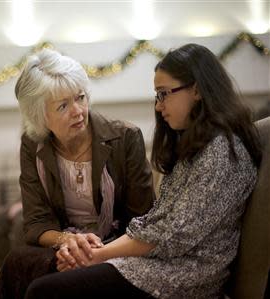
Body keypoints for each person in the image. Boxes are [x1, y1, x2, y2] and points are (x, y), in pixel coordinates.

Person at [23, 44, 262, 299]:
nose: (158, 106)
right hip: (160, 263)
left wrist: (97, 254)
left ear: (196, 89)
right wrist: (91, 251)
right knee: (28, 268)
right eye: (157, 96)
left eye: (164, 94)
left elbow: (173, 233)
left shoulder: (222, 150)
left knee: (44, 290)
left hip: (184, 274)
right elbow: (157, 220)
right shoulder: (199, 147)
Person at [0, 49, 155, 298]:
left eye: (80, 97)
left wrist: (94, 252)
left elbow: (142, 218)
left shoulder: (125, 138)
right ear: (40, 117)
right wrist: (67, 242)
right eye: (63, 106)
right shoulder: (32, 144)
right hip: (63, 245)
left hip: (119, 245)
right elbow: (36, 222)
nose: (78, 111)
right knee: (17, 259)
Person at [0, 200, 24, 292]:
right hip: (27, 199)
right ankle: (6, 275)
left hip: (45, 203)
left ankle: (20, 278)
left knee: (21, 223)